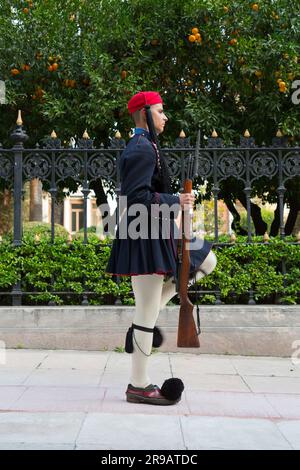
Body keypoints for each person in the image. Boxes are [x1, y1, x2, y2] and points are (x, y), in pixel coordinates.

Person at [106, 91, 217, 405]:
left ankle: (149, 319)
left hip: (156, 231)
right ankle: (138, 385)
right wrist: (176, 201)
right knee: (144, 313)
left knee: (207, 261)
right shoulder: (141, 148)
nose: (165, 117)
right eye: (160, 111)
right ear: (145, 114)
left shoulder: (148, 146)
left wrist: (176, 208)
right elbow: (135, 199)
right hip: (143, 235)